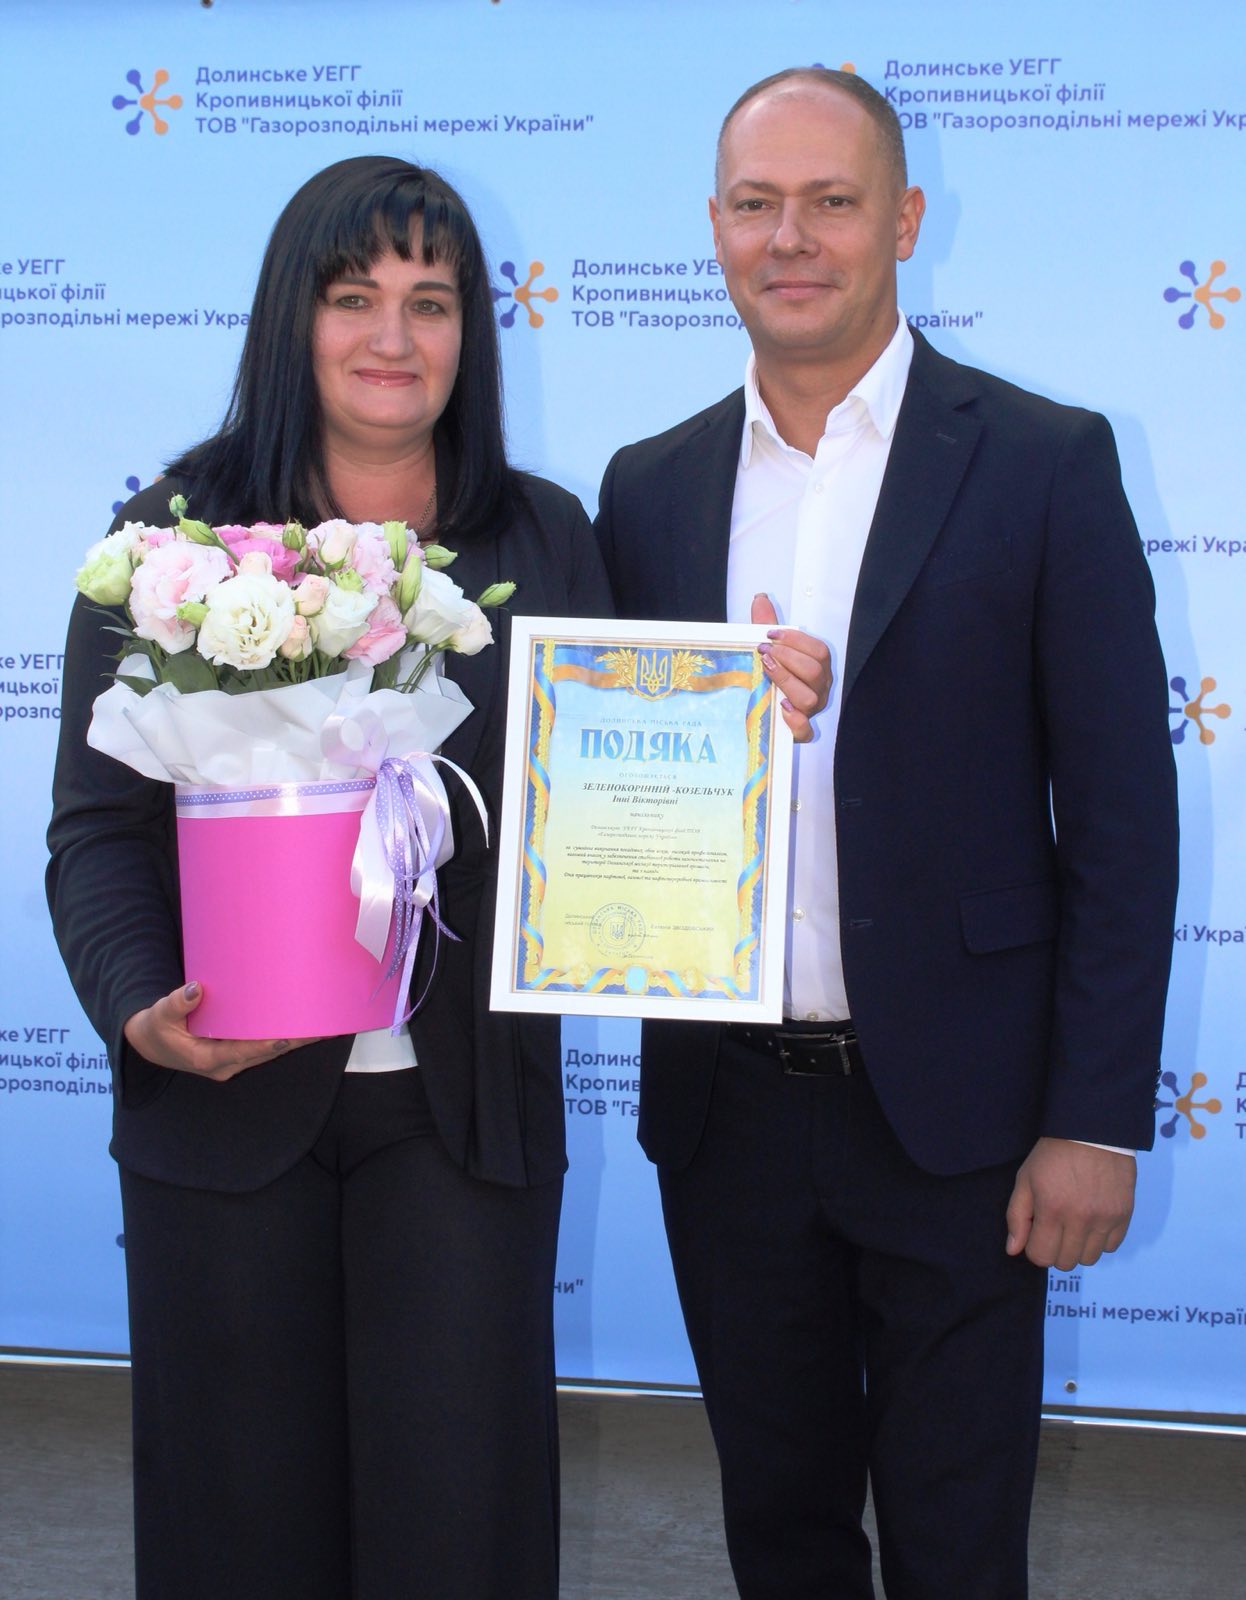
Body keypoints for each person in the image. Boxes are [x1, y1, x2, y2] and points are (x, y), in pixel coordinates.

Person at [595, 69, 1178, 1599]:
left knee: (956, 1540)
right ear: (711, 226)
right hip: (723, 1114)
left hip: (964, 1120)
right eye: (754, 203)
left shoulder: (1042, 460)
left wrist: (1094, 1120)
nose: (788, 238)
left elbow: (1120, 822)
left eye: (830, 201)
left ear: (903, 220)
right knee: (776, 1528)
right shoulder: (646, 488)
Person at [47, 155, 611, 1600]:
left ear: (472, 331)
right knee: (236, 1533)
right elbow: (98, 832)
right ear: (289, 317)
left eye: (433, 301)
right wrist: (141, 1009)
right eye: (354, 296)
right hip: (222, 1112)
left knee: (459, 1534)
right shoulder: (167, 541)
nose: (393, 337)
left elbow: (610, 790)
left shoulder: (545, 538)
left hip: (463, 1123)